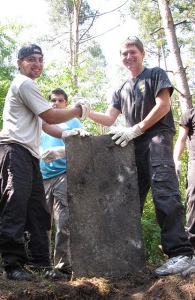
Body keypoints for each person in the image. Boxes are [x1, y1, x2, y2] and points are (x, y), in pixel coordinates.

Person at [81, 36, 195, 277]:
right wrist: (87, 112)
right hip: (132, 146)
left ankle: (181, 254)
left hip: (157, 139)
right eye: (124, 53)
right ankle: (125, 258)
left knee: (164, 192)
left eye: (132, 52)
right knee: (130, 199)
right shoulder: (121, 89)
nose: (128, 56)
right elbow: (110, 119)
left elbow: (163, 105)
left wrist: (138, 128)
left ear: (142, 53)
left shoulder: (155, 74)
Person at [0, 44, 90, 281]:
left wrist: (65, 135)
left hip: (29, 156)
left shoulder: (30, 88)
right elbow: (49, 115)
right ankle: (12, 265)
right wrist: (78, 111)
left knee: (38, 211)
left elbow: (45, 124)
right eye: (30, 59)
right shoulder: (24, 83)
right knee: (15, 207)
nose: (37, 64)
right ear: (19, 63)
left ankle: (40, 264)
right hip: (13, 151)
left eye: (40, 59)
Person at [39, 88, 87, 280]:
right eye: (52, 100)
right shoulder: (42, 121)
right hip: (41, 177)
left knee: (63, 221)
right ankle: (41, 265)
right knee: (41, 223)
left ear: (66, 104)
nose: (56, 103)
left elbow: (83, 144)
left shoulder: (73, 121)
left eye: (60, 100)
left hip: (62, 175)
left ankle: (63, 268)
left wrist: (61, 150)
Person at [174, 107, 195, 255]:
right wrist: (175, 160)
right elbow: (181, 139)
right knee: (193, 199)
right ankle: (193, 246)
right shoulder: (190, 114)